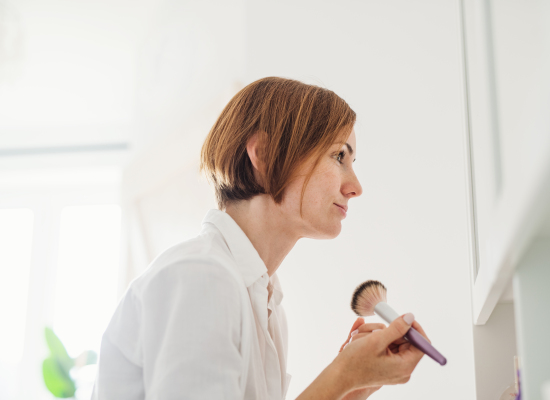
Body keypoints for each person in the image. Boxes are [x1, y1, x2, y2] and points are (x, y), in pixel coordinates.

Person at [92, 77, 429, 400]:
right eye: (339, 156)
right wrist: (342, 375)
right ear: (264, 155)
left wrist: (350, 389)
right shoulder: (202, 277)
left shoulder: (267, 306)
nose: (355, 187)